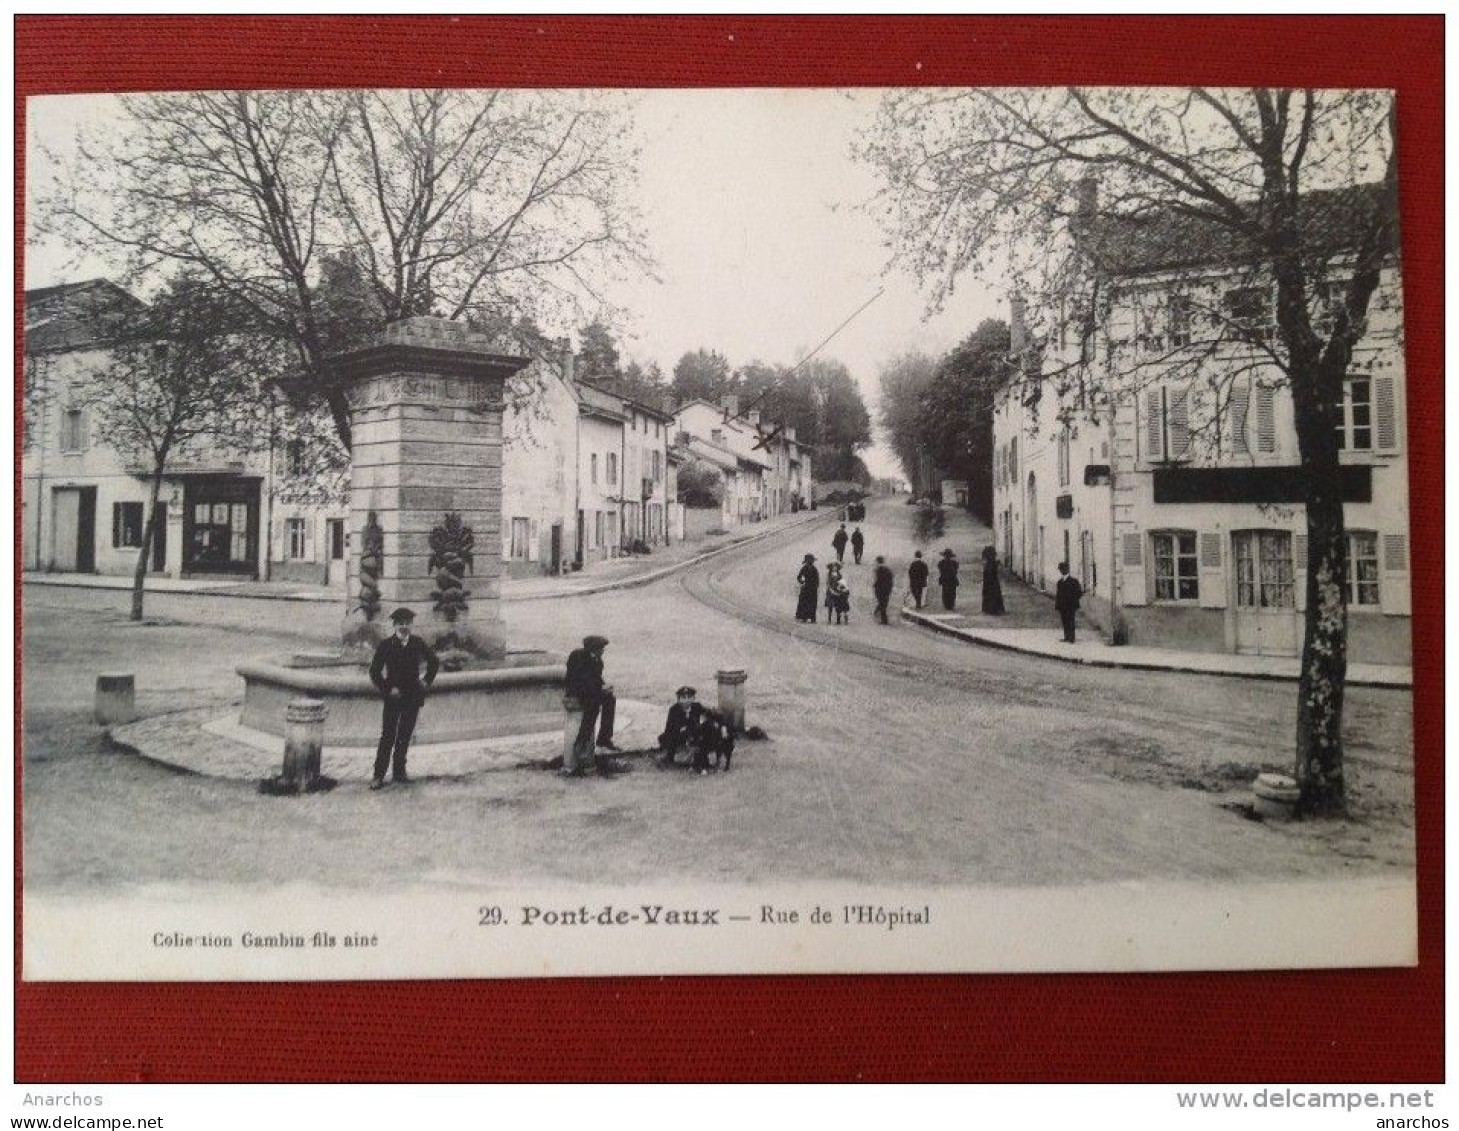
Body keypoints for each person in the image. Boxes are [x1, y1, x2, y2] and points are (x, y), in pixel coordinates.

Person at [368, 607, 440, 790]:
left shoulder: (417, 643)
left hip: (412, 696)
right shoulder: (386, 645)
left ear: (411, 625)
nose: (404, 626)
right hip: (393, 697)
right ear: (394, 625)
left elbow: (434, 661)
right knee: (388, 736)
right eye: (400, 623)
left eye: (407, 623)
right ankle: (378, 775)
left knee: (404, 735)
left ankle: (399, 772)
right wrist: (387, 688)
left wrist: (426, 681)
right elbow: (374, 672)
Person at [565, 634, 619, 772]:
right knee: (593, 706)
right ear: (594, 648)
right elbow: (578, 679)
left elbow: (597, 679)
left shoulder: (598, 661)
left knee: (610, 699)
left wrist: (605, 687)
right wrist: (599, 689)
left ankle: (604, 738)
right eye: (601, 648)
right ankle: (581, 742)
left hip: (590, 691)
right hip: (576, 691)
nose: (603, 651)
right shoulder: (578, 656)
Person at [658, 686, 707, 767]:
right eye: (683, 698)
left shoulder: (697, 707)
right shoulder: (674, 710)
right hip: (678, 736)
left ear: (693, 698)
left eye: (689, 697)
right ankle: (670, 756)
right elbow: (671, 728)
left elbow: (709, 716)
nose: (687, 700)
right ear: (678, 699)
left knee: (705, 733)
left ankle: (701, 759)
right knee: (667, 738)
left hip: (693, 734)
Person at [1055, 562, 1084, 643]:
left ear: (1067, 570)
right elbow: (1058, 595)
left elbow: (1079, 593)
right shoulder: (1059, 582)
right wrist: (1057, 605)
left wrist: (1073, 600)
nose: (1061, 571)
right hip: (1062, 606)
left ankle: (1072, 637)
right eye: (1060, 569)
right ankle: (1066, 637)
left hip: (1071, 605)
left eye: (1063, 569)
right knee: (1064, 621)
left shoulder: (1074, 581)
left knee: (1071, 621)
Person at [981, 545, 1006, 615]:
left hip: (989, 583)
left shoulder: (988, 564)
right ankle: (994, 608)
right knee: (994, 595)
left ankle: (989, 608)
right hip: (993, 583)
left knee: (990, 595)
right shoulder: (992, 563)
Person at [795, 554, 820, 623]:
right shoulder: (805, 568)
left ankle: (811, 617)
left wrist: (816, 586)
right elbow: (799, 577)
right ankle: (806, 617)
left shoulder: (813, 569)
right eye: (810, 561)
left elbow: (817, 579)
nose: (811, 562)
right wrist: (802, 582)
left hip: (811, 588)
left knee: (810, 603)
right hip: (807, 587)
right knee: (807, 602)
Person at [872, 556, 894, 624]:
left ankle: (884, 620)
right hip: (887, 589)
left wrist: (875, 585)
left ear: (877, 561)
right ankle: (877, 611)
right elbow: (891, 578)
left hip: (880, 589)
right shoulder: (888, 569)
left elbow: (878, 580)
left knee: (882, 603)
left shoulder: (878, 569)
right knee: (884, 602)